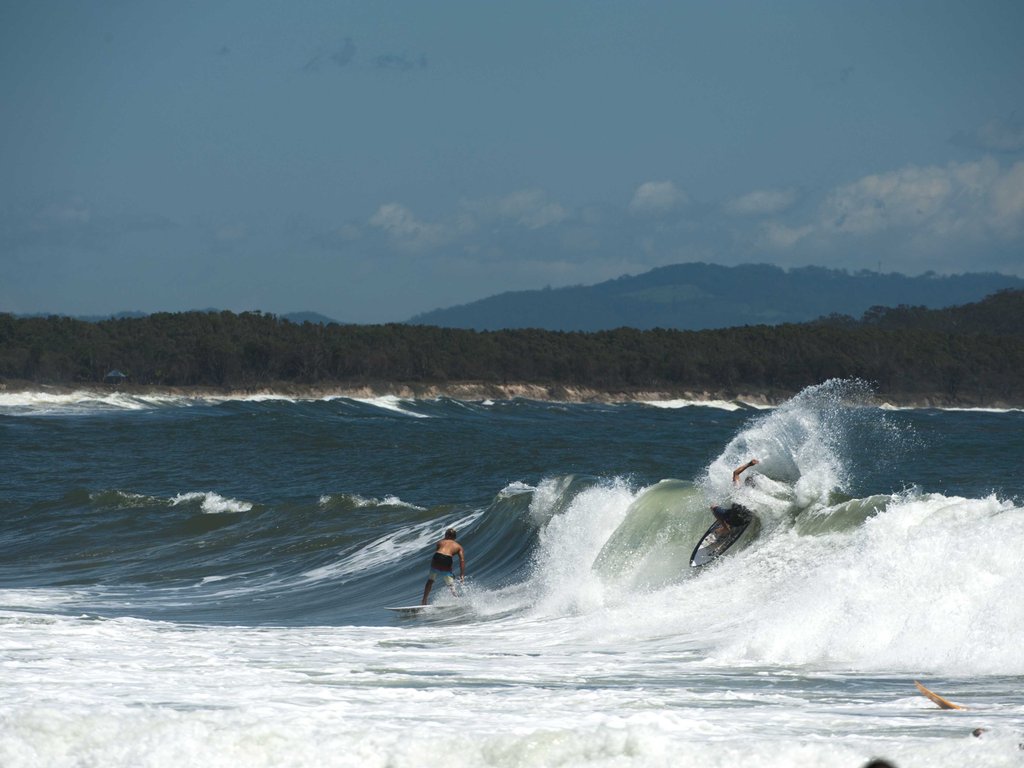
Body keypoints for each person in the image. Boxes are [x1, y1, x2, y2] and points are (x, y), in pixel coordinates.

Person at [709, 458, 759, 535]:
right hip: (746, 521)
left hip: (734, 521)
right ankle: (729, 522)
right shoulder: (758, 496)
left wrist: (749, 464)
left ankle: (726, 528)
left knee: (713, 507)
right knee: (739, 510)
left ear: (745, 483)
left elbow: (736, 473)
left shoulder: (738, 489)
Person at [421, 527, 465, 605]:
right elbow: (462, 560)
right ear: (454, 537)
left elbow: (438, 553)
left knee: (430, 581)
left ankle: (424, 601)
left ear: (447, 535)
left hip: (437, 557)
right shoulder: (459, 546)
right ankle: (457, 600)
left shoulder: (440, 542)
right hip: (447, 559)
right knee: (450, 583)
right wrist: (462, 574)